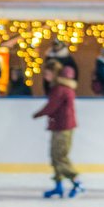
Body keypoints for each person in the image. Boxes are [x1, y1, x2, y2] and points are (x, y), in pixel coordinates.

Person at [33, 62, 83, 198]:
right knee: (56, 156)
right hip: (61, 126)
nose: (45, 76)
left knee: (59, 156)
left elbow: (51, 106)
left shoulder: (60, 89)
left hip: (63, 127)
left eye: (47, 74)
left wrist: (37, 114)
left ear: (54, 74)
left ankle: (76, 181)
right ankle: (59, 186)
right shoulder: (62, 87)